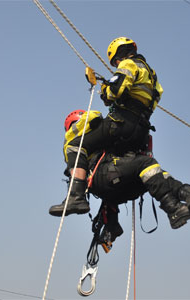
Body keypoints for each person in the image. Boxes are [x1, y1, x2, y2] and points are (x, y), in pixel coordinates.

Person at [49, 110, 190, 230]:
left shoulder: (90, 144)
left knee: (157, 174)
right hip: (104, 177)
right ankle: (173, 209)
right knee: (144, 164)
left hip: (114, 184)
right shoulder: (77, 139)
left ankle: (188, 193)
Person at [59, 37, 163, 215]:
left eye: (115, 61)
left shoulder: (128, 64)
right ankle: (111, 223)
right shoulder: (152, 76)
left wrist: (105, 92)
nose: (116, 64)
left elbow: (116, 90)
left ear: (119, 54)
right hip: (142, 127)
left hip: (122, 121)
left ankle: (75, 196)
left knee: (77, 145)